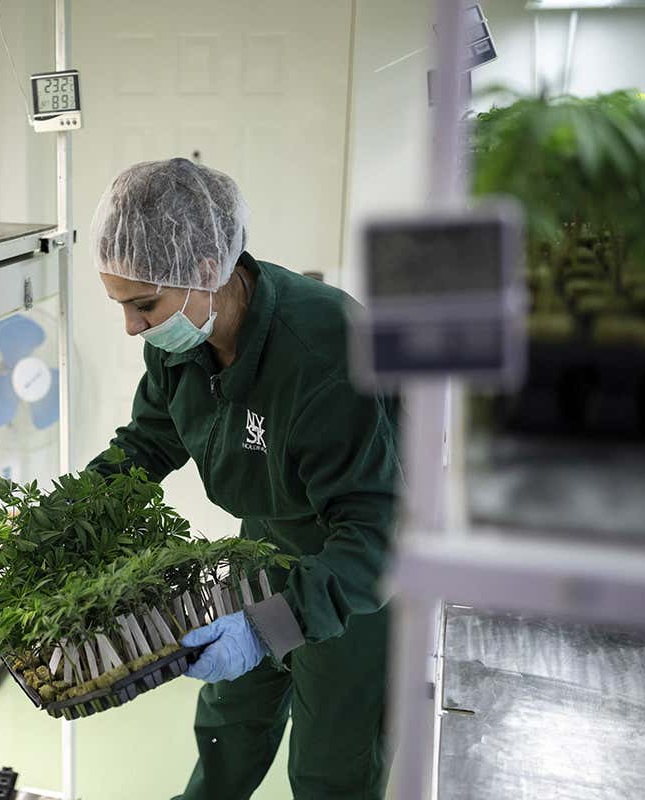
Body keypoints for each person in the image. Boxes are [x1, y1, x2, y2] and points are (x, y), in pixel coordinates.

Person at [86, 158, 401, 800]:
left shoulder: (326, 352)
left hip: (354, 568)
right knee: (230, 724)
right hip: (262, 540)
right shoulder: (181, 340)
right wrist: (73, 515)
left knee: (329, 766)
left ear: (207, 271)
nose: (132, 327)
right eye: (121, 305)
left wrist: (266, 627)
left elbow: (375, 535)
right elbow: (150, 440)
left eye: (144, 305)